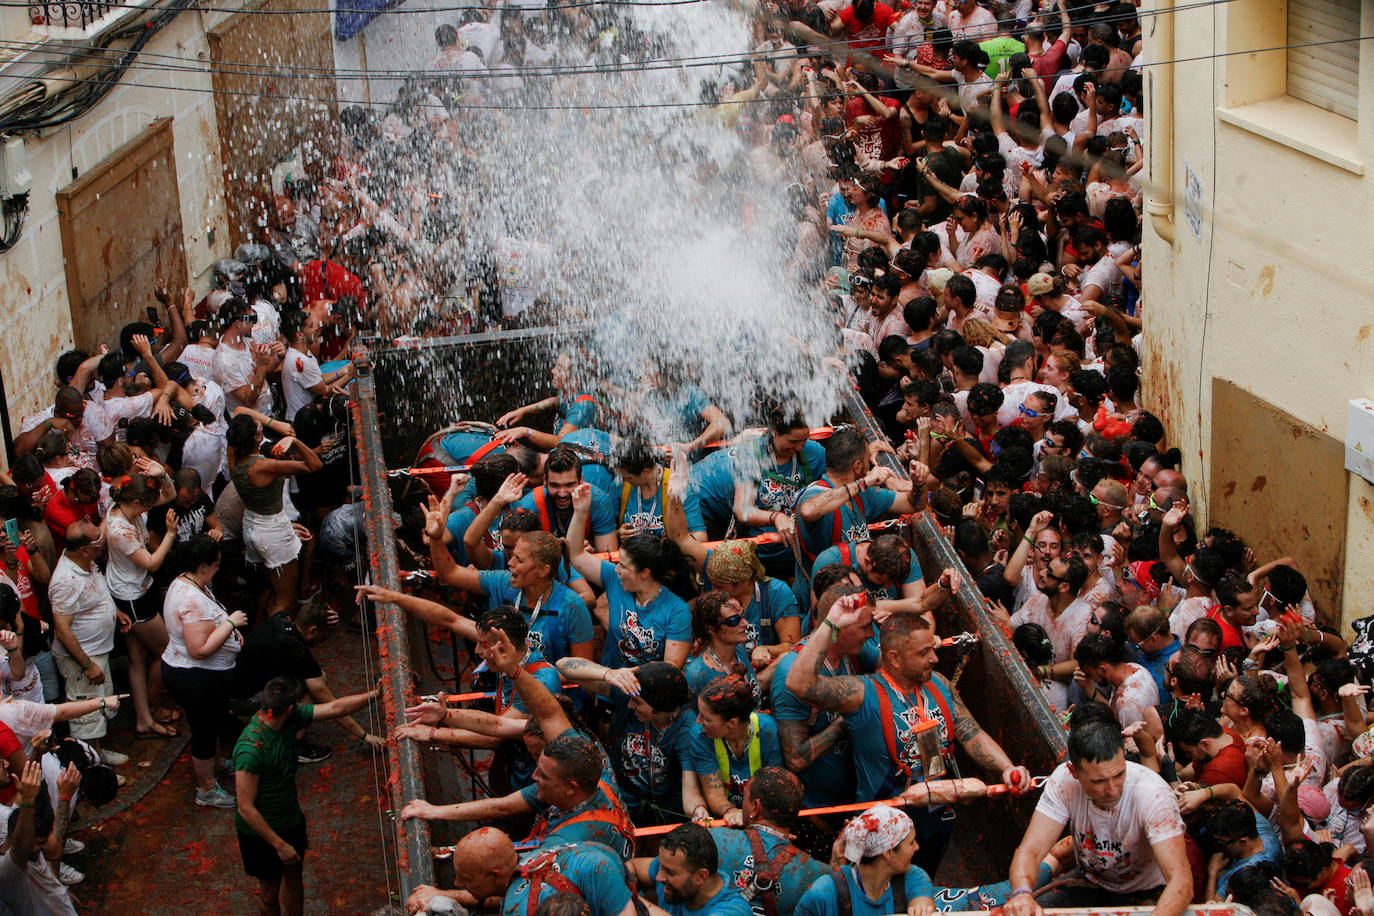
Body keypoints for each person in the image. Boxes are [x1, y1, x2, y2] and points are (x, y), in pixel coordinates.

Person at [786, 597, 1027, 873]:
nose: (935, 659)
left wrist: (1007, 768)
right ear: (895, 658)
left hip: (934, 819)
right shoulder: (863, 694)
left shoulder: (939, 684)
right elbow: (798, 683)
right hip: (879, 833)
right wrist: (830, 623)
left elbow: (972, 733)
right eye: (924, 653)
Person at [1005, 720, 1191, 916]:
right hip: (1090, 882)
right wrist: (1022, 894)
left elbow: (1181, 882)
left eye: (1119, 775)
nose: (1112, 790)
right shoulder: (1064, 782)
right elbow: (1030, 850)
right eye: (1099, 781)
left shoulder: (1153, 794)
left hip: (1147, 891)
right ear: (1074, 772)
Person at [234, 675, 381, 916]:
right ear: (288, 708)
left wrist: (375, 695)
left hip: (290, 820)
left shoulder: (288, 718)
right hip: (261, 834)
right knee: (270, 893)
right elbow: (245, 807)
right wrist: (278, 845)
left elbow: (335, 708)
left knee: (294, 876)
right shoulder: (251, 749)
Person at [231, 600, 383, 760]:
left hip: (231, 684)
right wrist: (364, 735)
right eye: (324, 636)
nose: (323, 640)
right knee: (315, 684)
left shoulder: (282, 618)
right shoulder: (297, 651)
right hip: (243, 700)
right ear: (313, 630)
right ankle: (297, 745)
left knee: (314, 677)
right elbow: (333, 706)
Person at [567, 482, 692, 672]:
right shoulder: (614, 579)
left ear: (645, 573)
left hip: (649, 695)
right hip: (611, 688)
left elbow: (669, 671)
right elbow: (575, 555)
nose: (616, 569)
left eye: (623, 566)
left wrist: (629, 679)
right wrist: (580, 512)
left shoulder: (676, 611)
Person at [160, 533, 247, 808]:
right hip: (194, 677)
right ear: (203, 566)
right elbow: (199, 648)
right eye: (216, 564)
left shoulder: (188, 582)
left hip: (202, 675)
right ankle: (207, 789)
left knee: (213, 722)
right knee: (204, 731)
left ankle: (219, 763)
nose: (218, 569)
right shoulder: (191, 599)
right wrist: (231, 624)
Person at [404, 828, 645, 916]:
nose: (457, 883)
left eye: (465, 879)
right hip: (609, 862)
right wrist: (443, 894)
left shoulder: (519, 907)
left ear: (496, 875)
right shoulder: (538, 856)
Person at [104, 467, 180, 740]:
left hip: (133, 589)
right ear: (137, 503)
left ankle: (143, 719)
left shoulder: (129, 508)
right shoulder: (119, 530)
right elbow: (151, 562)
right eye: (148, 504)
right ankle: (153, 707)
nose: (151, 507)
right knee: (166, 650)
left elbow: (168, 495)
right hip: (132, 597)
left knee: (137, 659)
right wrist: (170, 534)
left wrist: (162, 476)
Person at [226, 414, 322, 619]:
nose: (262, 427)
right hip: (272, 533)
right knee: (286, 600)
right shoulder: (265, 466)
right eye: (259, 428)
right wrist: (293, 440)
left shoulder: (233, 458)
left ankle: (259, 630)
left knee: (270, 589)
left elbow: (239, 413)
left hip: (253, 525)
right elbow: (315, 465)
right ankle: (272, 640)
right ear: (256, 438)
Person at [48, 520, 127, 766]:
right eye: (97, 542)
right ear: (83, 549)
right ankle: (92, 767)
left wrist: (114, 612)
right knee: (87, 713)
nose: (102, 544)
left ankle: (98, 753)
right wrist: (86, 665)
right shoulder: (64, 580)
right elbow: (62, 630)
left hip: (98, 651)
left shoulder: (88, 563)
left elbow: (97, 594)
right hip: (82, 657)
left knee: (99, 707)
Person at [703, 767, 831, 916]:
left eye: (744, 798)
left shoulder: (714, 840)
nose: (742, 805)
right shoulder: (819, 874)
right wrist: (838, 860)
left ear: (755, 807)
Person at [793, 804, 937, 916]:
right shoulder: (823, 895)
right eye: (911, 842)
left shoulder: (913, 876)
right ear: (888, 853)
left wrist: (921, 909)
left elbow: (922, 900)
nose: (917, 847)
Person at [682, 675, 783, 824]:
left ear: (732, 724)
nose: (698, 722)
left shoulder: (767, 730)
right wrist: (730, 811)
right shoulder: (700, 735)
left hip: (760, 816)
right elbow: (714, 794)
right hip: (723, 819)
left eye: (706, 718)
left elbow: (773, 789)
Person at [645, 822, 754, 916]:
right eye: (661, 867)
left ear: (701, 876)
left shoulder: (734, 910)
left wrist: (631, 900)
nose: (659, 877)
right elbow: (632, 867)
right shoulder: (671, 865)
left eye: (669, 872)